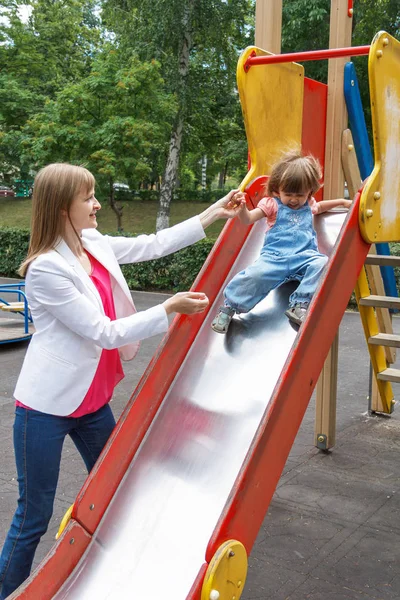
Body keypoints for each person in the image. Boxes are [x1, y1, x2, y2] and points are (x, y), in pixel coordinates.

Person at [0, 163, 242, 599]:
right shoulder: (45, 269)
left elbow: (150, 244)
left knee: (117, 488)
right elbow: (102, 330)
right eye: (88, 198)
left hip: (91, 403)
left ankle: (111, 576)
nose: (96, 204)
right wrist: (167, 310)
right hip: (46, 409)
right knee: (33, 514)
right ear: (61, 209)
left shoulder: (89, 242)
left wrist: (211, 214)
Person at [211, 150, 352, 334]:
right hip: (274, 258)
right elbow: (248, 219)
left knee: (322, 263)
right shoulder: (272, 204)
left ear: (309, 192)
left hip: (304, 256)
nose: (294, 200)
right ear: (278, 189)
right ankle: (229, 307)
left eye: (300, 195)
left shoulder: (308, 204)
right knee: (254, 275)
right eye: (288, 194)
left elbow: (320, 207)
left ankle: (299, 304)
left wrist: (341, 201)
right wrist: (242, 209)